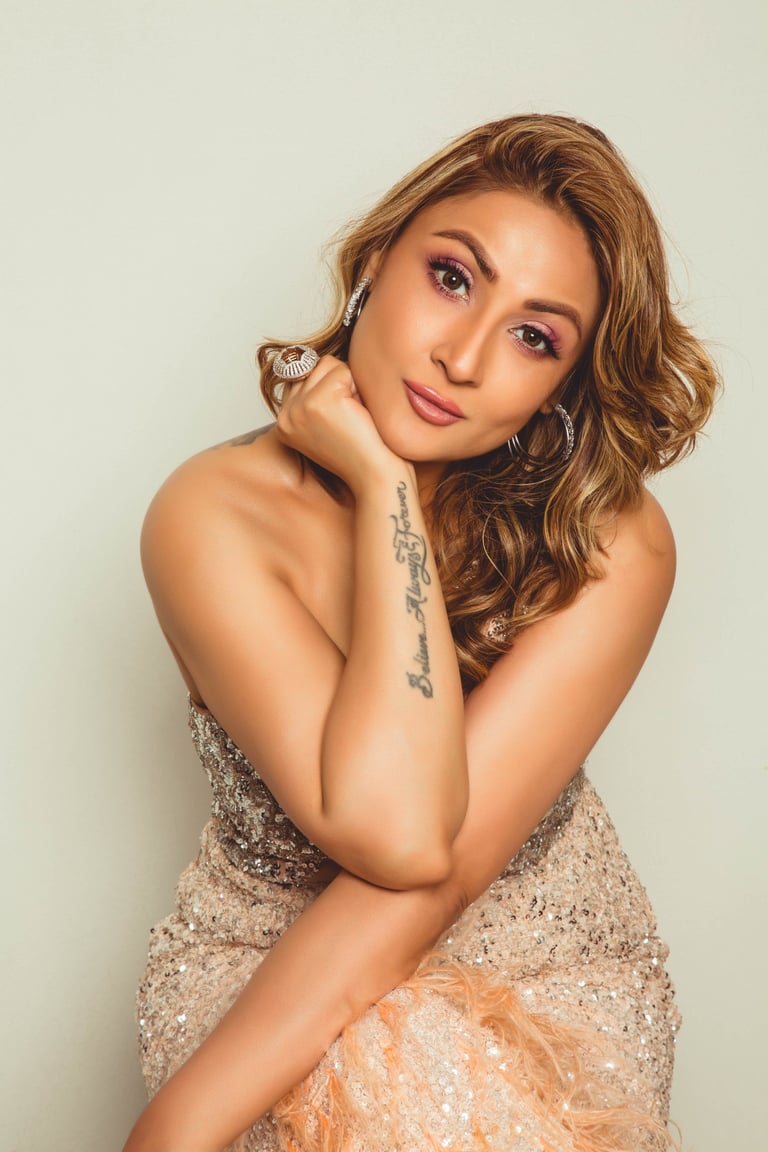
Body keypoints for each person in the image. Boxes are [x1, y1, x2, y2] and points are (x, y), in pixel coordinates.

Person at [124, 115, 718, 1152]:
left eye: (535, 338)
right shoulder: (213, 515)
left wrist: (382, 482)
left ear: (563, 387)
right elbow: (391, 826)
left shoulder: (610, 540)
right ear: (374, 262)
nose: (463, 356)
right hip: (264, 975)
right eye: (452, 278)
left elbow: (425, 860)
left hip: (543, 975)